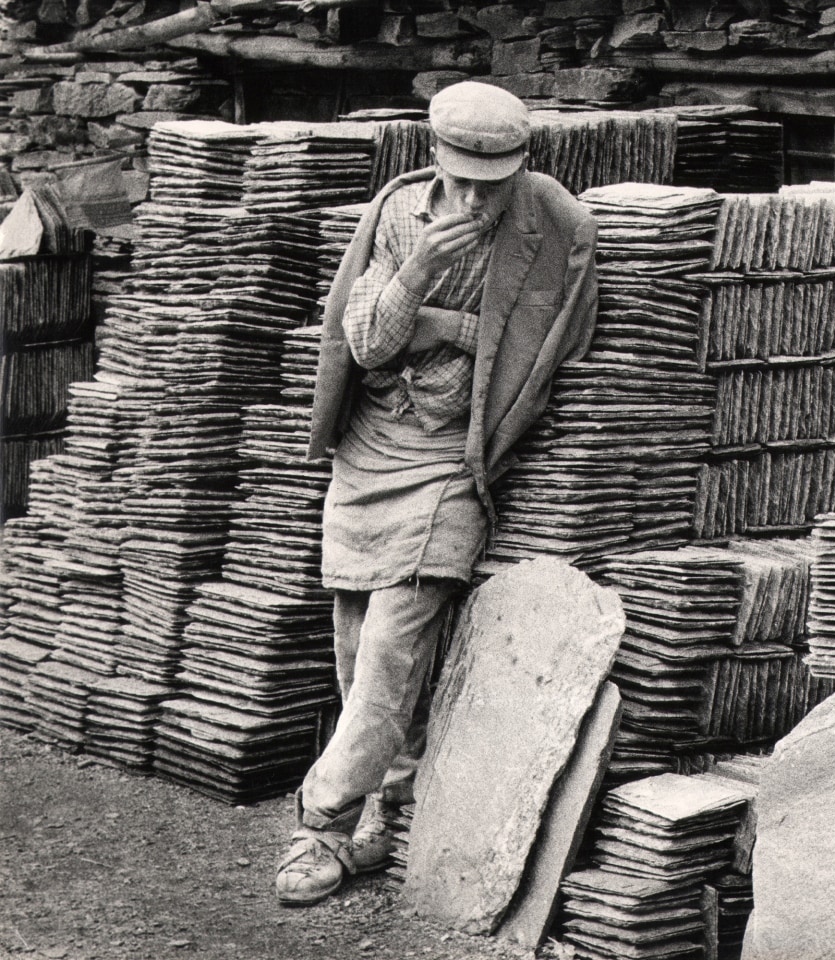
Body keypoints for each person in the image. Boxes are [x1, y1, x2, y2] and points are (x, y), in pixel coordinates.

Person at [276, 81, 598, 906]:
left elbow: (554, 345)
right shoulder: (396, 215)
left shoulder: (550, 223)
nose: (473, 195)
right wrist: (419, 270)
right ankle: (389, 816)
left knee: (390, 649)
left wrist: (446, 328)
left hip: (449, 461)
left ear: (518, 167)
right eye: (459, 176)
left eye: (491, 181)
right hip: (367, 453)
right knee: (360, 656)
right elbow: (369, 343)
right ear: (434, 159)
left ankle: (321, 825)